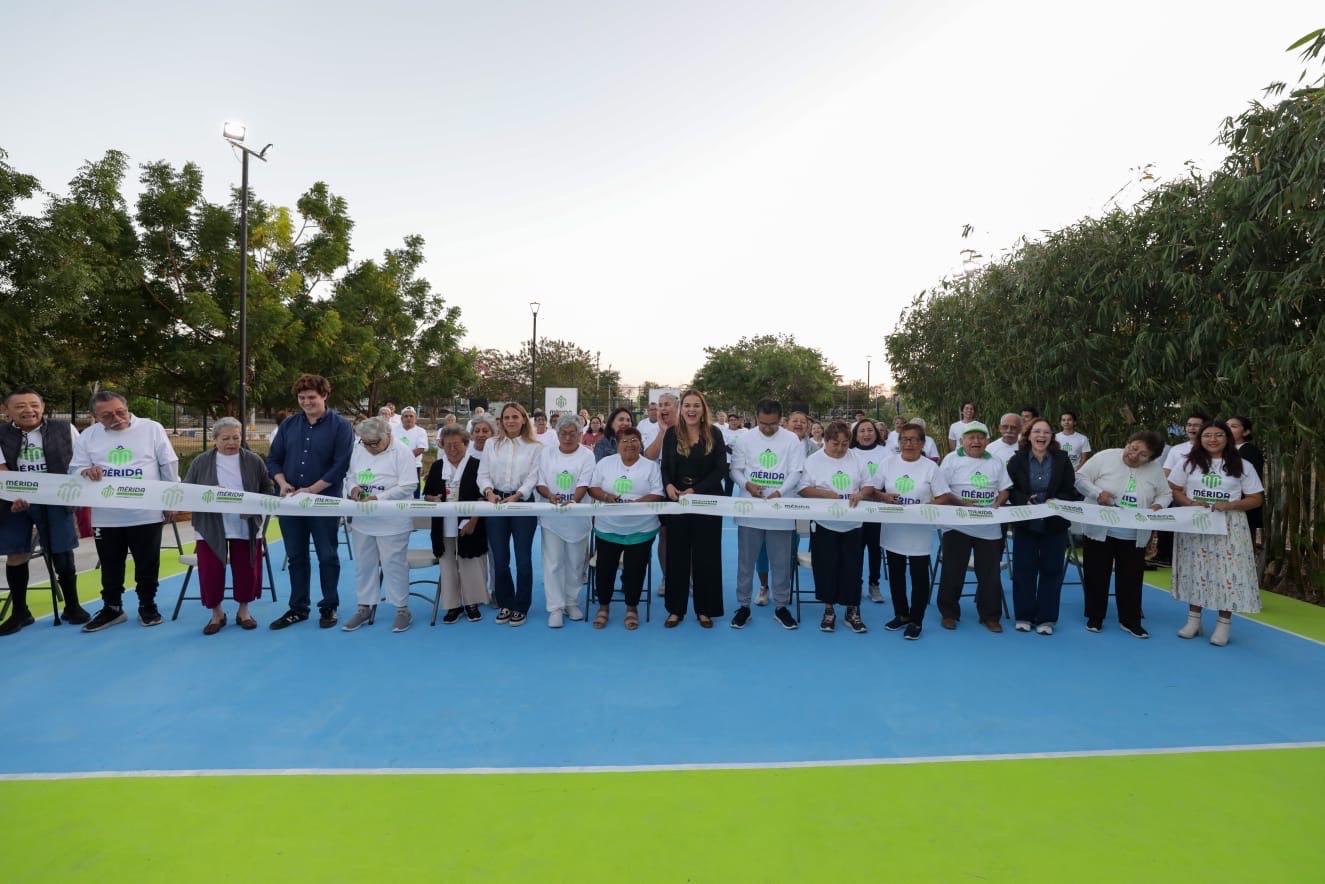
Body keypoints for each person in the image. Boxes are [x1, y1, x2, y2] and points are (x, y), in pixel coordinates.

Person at [70, 391, 180, 632]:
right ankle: (112, 607)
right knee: (110, 564)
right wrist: (85, 472)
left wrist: (170, 500)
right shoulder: (88, 436)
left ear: (127, 407)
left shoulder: (151, 428)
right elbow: (75, 470)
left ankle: (147, 604)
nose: (117, 418)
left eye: (121, 411)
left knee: (147, 563)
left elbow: (168, 464)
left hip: (146, 512)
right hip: (106, 515)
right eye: (107, 415)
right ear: (95, 416)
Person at [266, 374, 354, 630]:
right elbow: (273, 459)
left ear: (324, 396)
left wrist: (312, 490)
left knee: (327, 555)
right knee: (296, 557)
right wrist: (282, 483)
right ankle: (297, 608)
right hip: (291, 503)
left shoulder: (341, 426)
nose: (306, 402)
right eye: (302, 398)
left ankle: (329, 606)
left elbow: (341, 465)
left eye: (311, 397)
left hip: (324, 502)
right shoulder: (289, 425)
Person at [0, 386, 88, 634]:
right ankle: (20, 612)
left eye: (34, 405)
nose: (29, 410)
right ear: (7, 412)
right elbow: (1, 469)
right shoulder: (1, 434)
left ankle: (72, 605)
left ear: (43, 407)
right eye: (20, 406)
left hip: (55, 498)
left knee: (62, 550)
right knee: (16, 553)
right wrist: (11, 495)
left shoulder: (64, 429)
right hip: (14, 501)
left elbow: (80, 461)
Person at [1169, 420, 1264, 646]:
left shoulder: (1242, 465)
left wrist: (1230, 506)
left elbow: (1256, 498)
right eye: (1207, 435)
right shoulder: (1188, 463)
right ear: (1200, 439)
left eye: (1218, 435)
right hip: (1196, 523)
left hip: (1230, 526)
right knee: (1195, 569)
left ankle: (1223, 624)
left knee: (1228, 573)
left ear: (1227, 438)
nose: (1213, 439)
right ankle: (1193, 621)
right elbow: (1172, 489)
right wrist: (1190, 502)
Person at [182, 417, 275, 634]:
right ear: (214, 439)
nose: (231, 442)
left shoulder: (253, 460)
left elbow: (267, 487)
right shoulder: (201, 461)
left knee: (246, 568)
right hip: (210, 524)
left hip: (246, 523)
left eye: (236, 437)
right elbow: (187, 489)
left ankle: (244, 611)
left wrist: (257, 505)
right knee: (210, 569)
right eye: (225, 438)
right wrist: (209, 492)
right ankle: (217, 613)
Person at [1074, 432, 1170, 637]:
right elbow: (1080, 478)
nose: (1134, 455)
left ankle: (1130, 620)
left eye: (1143, 454)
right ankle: (1095, 616)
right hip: (1100, 529)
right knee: (1097, 574)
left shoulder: (1155, 470)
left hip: (1134, 533)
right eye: (1133, 448)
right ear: (1127, 443)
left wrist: (1158, 505)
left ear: (1151, 459)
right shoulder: (1105, 456)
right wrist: (1096, 493)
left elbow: (1166, 493)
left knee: (1132, 578)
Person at [728, 398, 805, 631]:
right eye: (762, 423)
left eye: (772, 424)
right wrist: (747, 485)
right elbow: (735, 470)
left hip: (780, 512)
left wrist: (781, 492)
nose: (767, 428)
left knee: (781, 563)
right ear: (756, 417)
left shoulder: (792, 440)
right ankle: (743, 606)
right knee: (745, 563)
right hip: (750, 510)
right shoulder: (744, 438)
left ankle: (781, 607)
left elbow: (796, 471)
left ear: (781, 419)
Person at [876, 422, 955, 640]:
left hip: (919, 531)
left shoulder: (930, 467)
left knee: (919, 576)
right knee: (895, 574)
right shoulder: (888, 463)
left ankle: (916, 620)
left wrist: (930, 507)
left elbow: (944, 495)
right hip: (893, 528)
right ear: (898, 442)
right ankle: (901, 614)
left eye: (913, 440)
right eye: (904, 439)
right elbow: (873, 489)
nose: (908, 444)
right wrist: (884, 496)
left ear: (922, 443)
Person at [1005, 417, 1083, 635]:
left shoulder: (1062, 459)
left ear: (1052, 437)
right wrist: (1023, 500)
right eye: (1037, 431)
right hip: (1025, 523)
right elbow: (1009, 489)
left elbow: (1071, 491)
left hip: (1054, 524)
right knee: (1023, 570)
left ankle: (1046, 619)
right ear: (1028, 436)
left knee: (1051, 571)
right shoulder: (1017, 460)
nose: (1041, 436)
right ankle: (1024, 616)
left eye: (1046, 432)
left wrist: (1056, 501)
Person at [341, 417, 418, 633]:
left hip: (393, 520)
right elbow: (349, 476)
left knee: (394, 565)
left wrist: (379, 499)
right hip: (363, 519)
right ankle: (364, 607)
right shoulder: (359, 448)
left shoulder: (401, 451)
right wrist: (353, 489)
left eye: (375, 443)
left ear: (388, 436)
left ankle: (402, 610)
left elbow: (409, 485)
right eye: (366, 443)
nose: (371, 447)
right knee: (364, 565)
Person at [659, 389, 728, 628]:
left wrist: (695, 490)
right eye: (687, 405)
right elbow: (665, 466)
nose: (691, 409)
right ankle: (675, 609)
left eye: (696, 405)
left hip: (707, 501)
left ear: (703, 409)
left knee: (706, 556)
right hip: (677, 502)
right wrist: (668, 485)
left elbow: (720, 470)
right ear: (682, 409)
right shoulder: (671, 434)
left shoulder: (715, 433)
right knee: (676, 555)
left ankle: (705, 609)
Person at [798, 420, 874, 634]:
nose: (840, 448)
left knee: (853, 567)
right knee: (826, 567)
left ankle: (852, 611)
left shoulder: (857, 459)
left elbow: (869, 485)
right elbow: (803, 489)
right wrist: (824, 493)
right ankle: (829, 609)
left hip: (853, 524)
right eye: (835, 444)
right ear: (826, 441)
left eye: (844, 444)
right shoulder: (813, 461)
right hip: (824, 523)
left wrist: (860, 494)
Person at [936, 422, 1011, 632]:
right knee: (953, 570)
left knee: (990, 573)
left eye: (981, 437)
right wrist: (962, 503)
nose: (976, 442)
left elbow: (1005, 489)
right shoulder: (951, 460)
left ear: (987, 440)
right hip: (958, 524)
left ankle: (989, 616)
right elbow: (942, 491)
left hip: (988, 526)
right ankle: (949, 613)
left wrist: (998, 502)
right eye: (971, 437)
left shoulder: (996, 461)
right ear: (962, 441)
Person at [587, 427, 664, 630]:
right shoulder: (605, 463)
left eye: (634, 440)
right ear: (617, 444)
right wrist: (606, 496)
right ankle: (603, 607)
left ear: (641, 443)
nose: (630, 444)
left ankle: (632, 608)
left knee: (635, 571)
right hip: (608, 528)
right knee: (605, 570)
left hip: (641, 529)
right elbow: (592, 487)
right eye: (624, 440)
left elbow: (657, 493)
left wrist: (637, 502)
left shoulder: (650, 466)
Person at [478, 402, 543, 627]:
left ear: (524, 419)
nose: (511, 421)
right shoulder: (490, 444)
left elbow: (534, 477)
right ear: (501, 421)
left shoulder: (535, 446)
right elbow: (483, 473)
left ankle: (521, 606)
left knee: (523, 559)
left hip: (523, 505)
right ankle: (505, 602)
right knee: (500, 559)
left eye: (515, 417)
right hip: (495, 505)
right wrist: (488, 492)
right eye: (506, 417)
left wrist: (517, 495)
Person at [535, 415, 597, 627]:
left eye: (573, 433)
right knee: (553, 563)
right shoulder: (547, 453)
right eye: (564, 433)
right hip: (552, 517)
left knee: (575, 562)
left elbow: (584, 482)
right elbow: (540, 481)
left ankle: (572, 602)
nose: (568, 437)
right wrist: (551, 496)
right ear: (557, 434)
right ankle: (555, 608)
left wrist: (573, 501)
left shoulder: (587, 455)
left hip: (577, 517)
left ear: (580, 434)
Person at [423, 425, 488, 624]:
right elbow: (426, 495)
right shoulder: (436, 466)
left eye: (457, 445)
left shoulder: (477, 465)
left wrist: (473, 522)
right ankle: (452, 605)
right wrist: (432, 499)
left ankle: (472, 603)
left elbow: (482, 496)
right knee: (447, 564)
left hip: (470, 523)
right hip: (443, 524)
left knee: (470, 563)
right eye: (448, 445)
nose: (452, 449)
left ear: (466, 445)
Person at [1153, 409, 1213, 567]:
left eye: (1196, 425)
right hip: (1178, 496)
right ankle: (1165, 556)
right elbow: (1167, 472)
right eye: (1189, 425)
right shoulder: (1177, 449)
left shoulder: (1214, 450)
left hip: (1206, 499)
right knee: (1169, 524)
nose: (1191, 428)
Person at [850, 418, 890, 604]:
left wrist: (878, 494)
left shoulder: (886, 453)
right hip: (855, 508)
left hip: (877, 508)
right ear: (855, 435)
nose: (866, 434)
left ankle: (874, 584)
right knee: (855, 549)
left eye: (870, 430)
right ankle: (854, 584)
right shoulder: (849, 453)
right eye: (862, 431)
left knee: (875, 548)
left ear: (877, 433)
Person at [1225, 415, 1264, 541]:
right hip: (1223, 505)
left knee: (1242, 541)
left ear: (1246, 432)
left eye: (1234, 426)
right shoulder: (1222, 450)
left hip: (1243, 504)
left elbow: (1247, 481)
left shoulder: (1249, 451)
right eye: (1226, 426)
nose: (1228, 429)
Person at [396, 407, 430, 498]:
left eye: (411, 416)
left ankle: (415, 511)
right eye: (406, 416)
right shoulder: (394, 430)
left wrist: (404, 458)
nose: (408, 418)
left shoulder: (421, 431)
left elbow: (421, 448)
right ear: (401, 418)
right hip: (396, 466)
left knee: (414, 491)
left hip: (414, 466)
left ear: (415, 418)